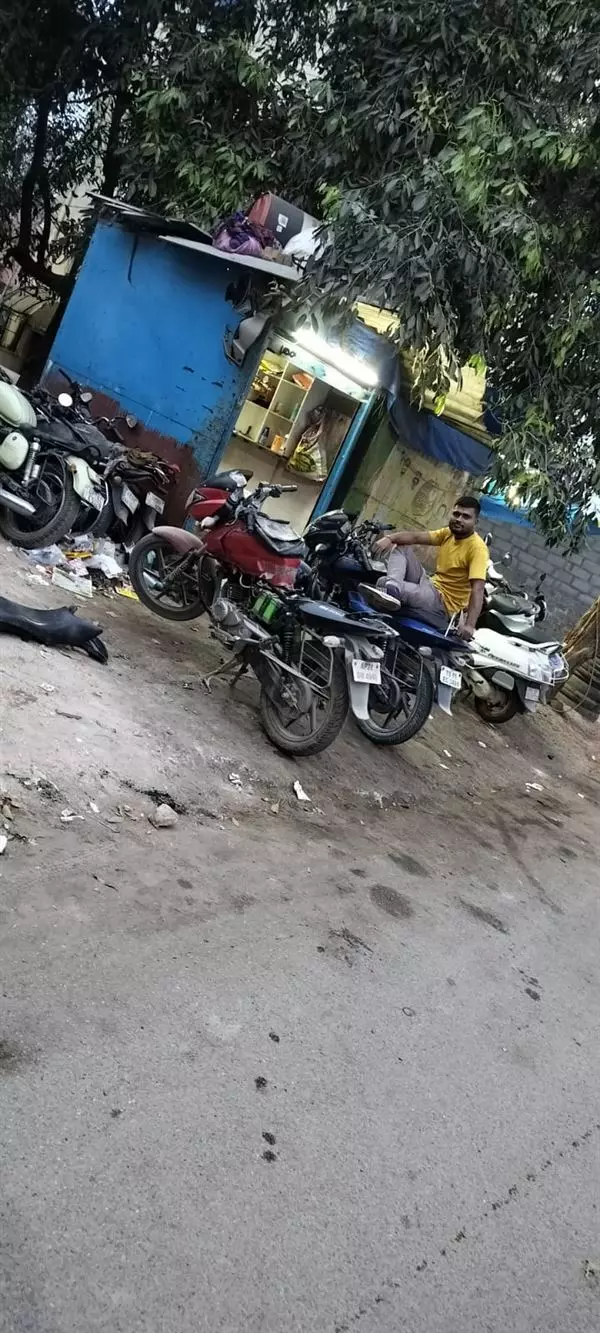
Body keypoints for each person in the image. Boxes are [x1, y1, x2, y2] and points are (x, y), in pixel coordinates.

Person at [369, 495, 488, 640]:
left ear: (475, 522)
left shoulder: (477, 548)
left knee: (382, 583)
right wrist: (389, 538)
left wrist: (469, 625)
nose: (459, 519)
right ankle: (393, 587)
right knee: (402, 546)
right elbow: (415, 537)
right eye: (456, 514)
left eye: (466, 516)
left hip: (442, 603)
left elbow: (478, 589)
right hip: (429, 585)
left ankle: (392, 590)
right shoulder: (448, 534)